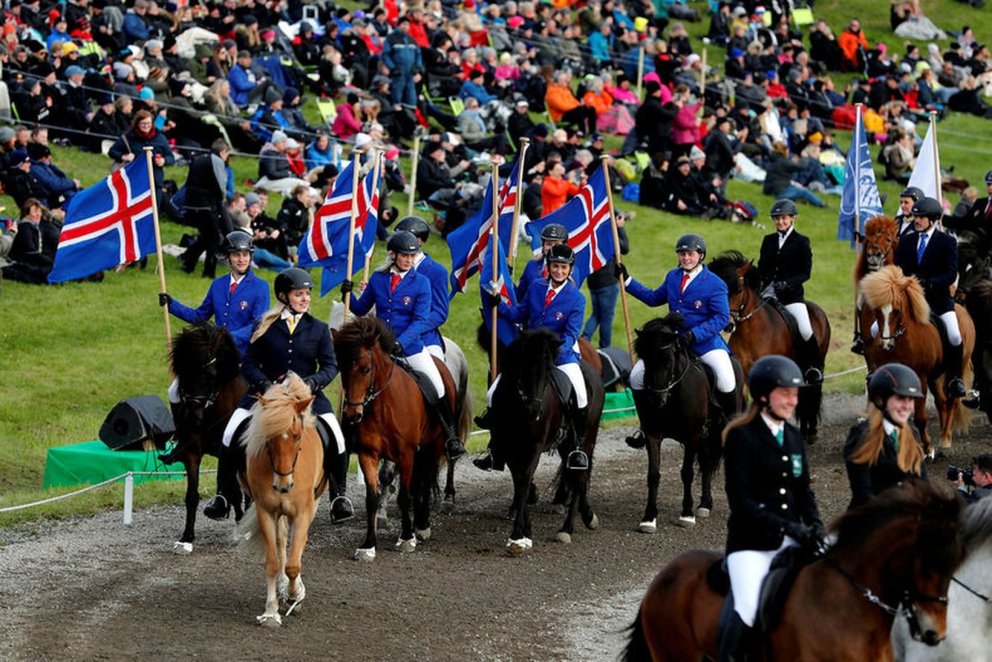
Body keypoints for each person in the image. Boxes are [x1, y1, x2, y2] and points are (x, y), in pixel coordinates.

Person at [204, 267, 354, 524]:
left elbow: (330, 367)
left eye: (307, 293)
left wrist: (310, 383)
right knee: (230, 433)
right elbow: (249, 363)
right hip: (265, 395)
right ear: (285, 296)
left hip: (307, 397)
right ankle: (223, 496)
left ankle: (339, 496)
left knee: (337, 437)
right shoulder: (265, 326)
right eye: (299, 294)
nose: (305, 298)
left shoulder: (318, 329)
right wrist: (265, 384)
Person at [719, 355, 824, 661]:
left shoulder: (792, 436)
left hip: (793, 538)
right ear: (764, 395)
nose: (793, 401)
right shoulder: (741, 436)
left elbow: (803, 491)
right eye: (786, 393)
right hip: (750, 544)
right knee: (749, 608)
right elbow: (741, 501)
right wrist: (787, 526)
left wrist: (815, 525)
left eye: (796, 394)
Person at [347, 231, 466, 460]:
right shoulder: (378, 279)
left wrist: (401, 343)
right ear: (393, 255)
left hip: (410, 348)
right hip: (379, 348)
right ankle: (351, 431)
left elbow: (421, 321)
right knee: (357, 379)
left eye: (412, 256)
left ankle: (450, 436)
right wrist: (348, 294)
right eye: (405, 256)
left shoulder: (422, 283)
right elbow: (362, 308)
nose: (409, 260)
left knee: (438, 386)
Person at [474, 244, 590, 472]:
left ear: (569, 270)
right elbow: (520, 313)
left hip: (560, 355)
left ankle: (577, 448)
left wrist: (553, 351)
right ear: (549, 267)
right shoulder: (536, 287)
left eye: (563, 268)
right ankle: (494, 446)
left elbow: (571, 334)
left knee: (582, 395)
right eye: (555, 266)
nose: (559, 271)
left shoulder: (576, 298)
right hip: (528, 355)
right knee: (492, 393)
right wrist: (502, 306)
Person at [620, 234, 738, 447]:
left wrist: (696, 334)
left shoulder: (715, 284)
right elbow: (654, 297)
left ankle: (732, 425)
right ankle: (645, 426)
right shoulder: (673, 277)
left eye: (690, 254)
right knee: (637, 376)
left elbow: (721, 317)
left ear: (700, 255)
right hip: (672, 343)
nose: (685, 258)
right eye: (682, 254)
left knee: (727, 379)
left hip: (704, 343)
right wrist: (627, 281)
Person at [160, 229, 270, 429]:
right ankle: (181, 432)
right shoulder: (217, 285)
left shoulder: (260, 287)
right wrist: (171, 304)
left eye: (245, 255)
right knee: (174, 390)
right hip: (215, 355)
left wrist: (226, 338)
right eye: (236, 255)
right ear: (228, 257)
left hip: (245, 355)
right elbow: (200, 315)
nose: (241, 259)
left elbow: (258, 324)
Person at [893, 197, 967, 399]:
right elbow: (898, 268)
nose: (916, 220)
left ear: (933, 219)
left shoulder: (947, 242)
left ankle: (955, 378)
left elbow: (950, 274)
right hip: (909, 299)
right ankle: (877, 370)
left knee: (954, 335)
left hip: (938, 300)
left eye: (921, 217)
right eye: (915, 216)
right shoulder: (906, 241)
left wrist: (930, 282)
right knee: (876, 328)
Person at [755, 199, 822, 384]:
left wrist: (787, 283)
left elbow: (805, 272)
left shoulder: (801, 241)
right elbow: (762, 267)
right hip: (767, 291)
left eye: (783, 218)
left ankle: (813, 366)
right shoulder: (768, 240)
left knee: (805, 329)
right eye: (777, 219)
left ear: (792, 218)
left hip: (791, 295)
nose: (780, 222)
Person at [843, 363, 926, 510]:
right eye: (901, 398)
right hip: (870, 518)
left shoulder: (913, 434)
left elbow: (924, 484)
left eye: (911, 400)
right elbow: (863, 494)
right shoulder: (861, 435)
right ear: (880, 400)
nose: (907, 406)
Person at [394, 216, 449, 361]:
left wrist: (412, 330)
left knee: (436, 381)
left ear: (418, 241)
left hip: (424, 339)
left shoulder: (437, 272)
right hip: (391, 336)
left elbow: (440, 312)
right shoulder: (390, 268)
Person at [180, 139, 231, 278]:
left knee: (206, 236)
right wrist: (222, 201)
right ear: (222, 152)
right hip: (206, 205)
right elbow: (221, 184)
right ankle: (208, 272)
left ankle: (188, 262)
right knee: (214, 238)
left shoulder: (198, 159)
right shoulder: (217, 161)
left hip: (191, 203)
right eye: (227, 154)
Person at [582, 212, 629, 349]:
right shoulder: (609, 234)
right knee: (606, 317)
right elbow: (625, 248)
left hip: (593, 280)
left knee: (597, 313)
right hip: (608, 282)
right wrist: (620, 228)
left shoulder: (592, 232)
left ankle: (585, 338)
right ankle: (605, 348)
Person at [518, 223, 568, 301]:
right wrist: (505, 276)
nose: (552, 248)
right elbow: (519, 295)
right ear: (543, 245)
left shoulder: (571, 271)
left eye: (557, 244)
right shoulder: (531, 266)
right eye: (548, 244)